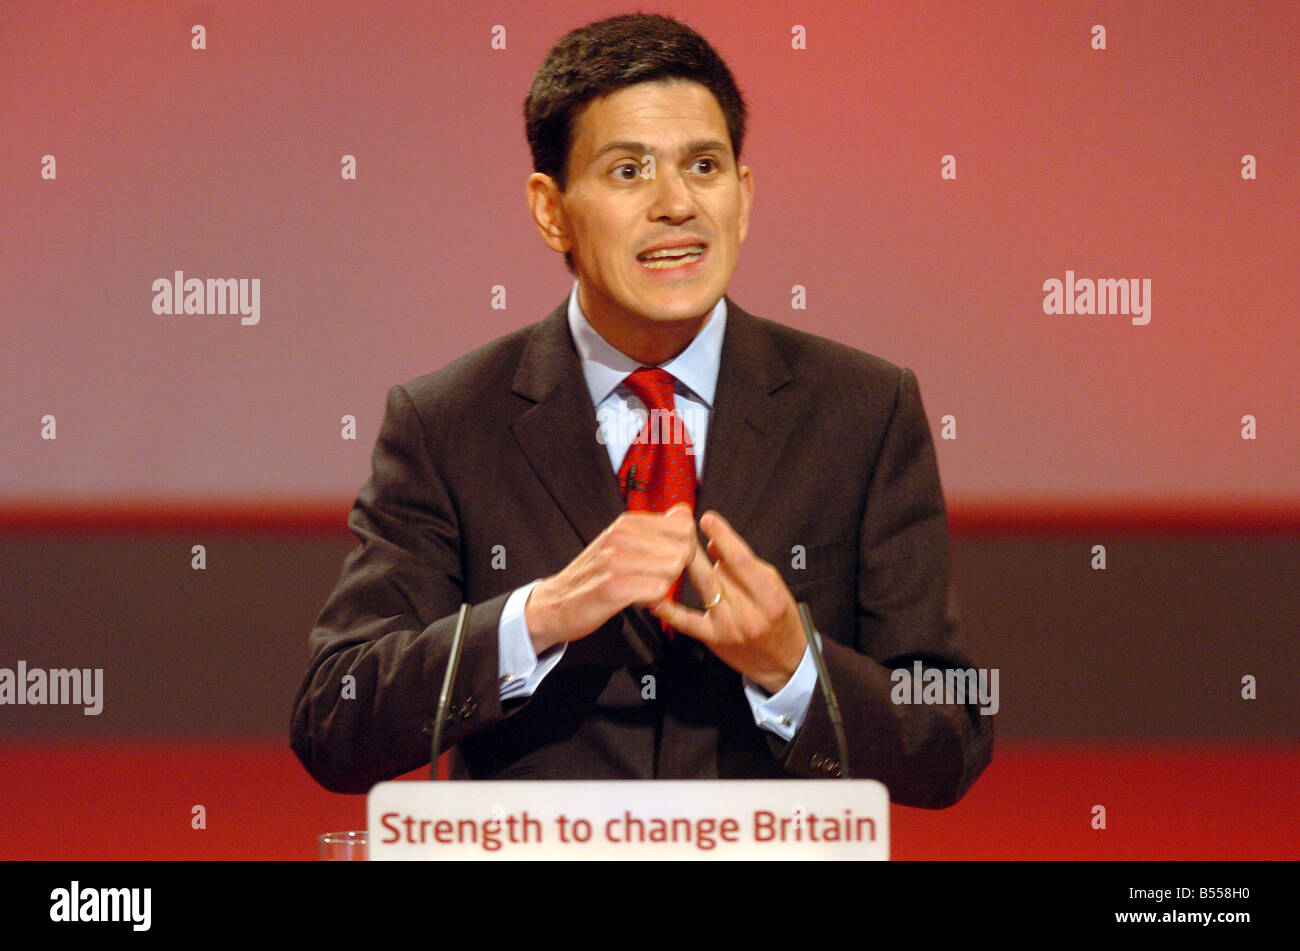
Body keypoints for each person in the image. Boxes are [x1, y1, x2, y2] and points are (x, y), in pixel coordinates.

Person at [290, 13, 992, 808]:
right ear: (550, 209)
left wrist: (793, 667)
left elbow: (952, 735)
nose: (677, 204)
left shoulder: (863, 409)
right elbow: (332, 722)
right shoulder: (447, 420)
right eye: (629, 171)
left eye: (704, 165)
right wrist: (540, 615)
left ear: (744, 195)